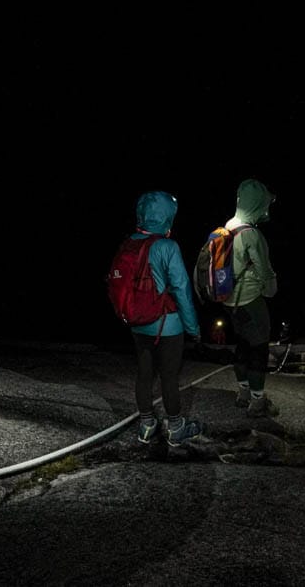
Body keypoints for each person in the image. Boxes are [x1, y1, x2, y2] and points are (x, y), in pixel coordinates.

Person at [126, 191, 204, 447]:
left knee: (144, 373)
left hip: (138, 322)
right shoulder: (167, 246)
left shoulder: (130, 243)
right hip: (167, 325)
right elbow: (181, 289)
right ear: (167, 218)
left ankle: (147, 425)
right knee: (169, 376)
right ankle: (176, 427)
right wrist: (193, 327)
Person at [223, 178, 280, 418]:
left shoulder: (226, 228)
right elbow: (265, 271)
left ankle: (243, 392)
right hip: (250, 300)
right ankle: (257, 402)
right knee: (258, 349)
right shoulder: (251, 234)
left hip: (228, 301)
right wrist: (269, 290)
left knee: (242, 346)